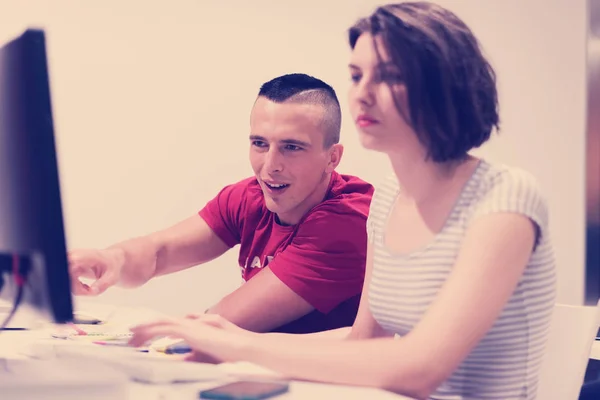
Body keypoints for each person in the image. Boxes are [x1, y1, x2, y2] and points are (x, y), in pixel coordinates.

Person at [128, 2, 558, 399]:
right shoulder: (389, 197)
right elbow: (363, 341)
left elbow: (420, 367)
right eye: (356, 75)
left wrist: (239, 344)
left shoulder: (505, 196)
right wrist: (229, 343)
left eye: (389, 76)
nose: (361, 94)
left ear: (444, 86)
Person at [68, 73, 374, 334]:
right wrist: (110, 260)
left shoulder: (347, 222)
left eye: (291, 147)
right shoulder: (251, 196)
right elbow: (159, 253)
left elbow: (221, 323)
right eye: (259, 144)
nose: (270, 166)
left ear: (332, 157)